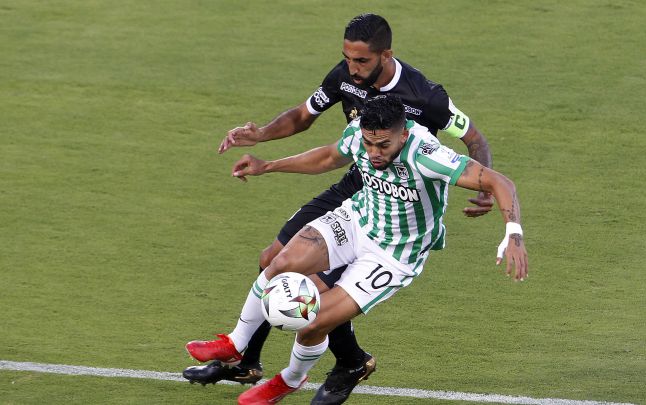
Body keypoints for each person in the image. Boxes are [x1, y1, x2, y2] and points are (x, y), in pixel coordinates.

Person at [184, 13, 495, 404]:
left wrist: (486, 188)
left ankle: (335, 363)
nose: (352, 68)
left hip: (398, 202)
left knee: (319, 295)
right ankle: (247, 357)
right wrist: (262, 135)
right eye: (347, 58)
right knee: (273, 260)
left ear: (386, 55)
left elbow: (474, 138)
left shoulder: (425, 95)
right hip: (357, 182)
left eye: (361, 60)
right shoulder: (346, 75)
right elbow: (304, 115)